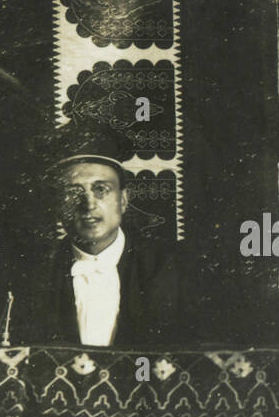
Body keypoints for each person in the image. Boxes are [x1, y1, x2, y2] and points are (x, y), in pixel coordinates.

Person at [10, 125, 185, 347]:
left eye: (101, 189)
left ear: (123, 199)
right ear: (57, 204)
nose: (88, 204)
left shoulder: (171, 266)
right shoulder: (34, 274)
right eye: (73, 192)